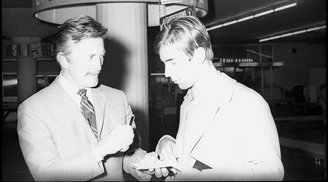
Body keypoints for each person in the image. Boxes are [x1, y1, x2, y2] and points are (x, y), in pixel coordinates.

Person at [139, 16, 284, 181]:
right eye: (165, 63)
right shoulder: (188, 100)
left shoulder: (247, 101)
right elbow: (195, 153)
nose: (166, 73)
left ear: (199, 55)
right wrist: (166, 144)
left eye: (172, 62)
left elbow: (272, 172)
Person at [17, 15, 152, 181]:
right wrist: (101, 149)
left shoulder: (118, 98)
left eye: (101, 56)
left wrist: (142, 164)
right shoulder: (33, 109)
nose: (99, 66)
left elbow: (129, 153)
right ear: (64, 60)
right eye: (90, 57)